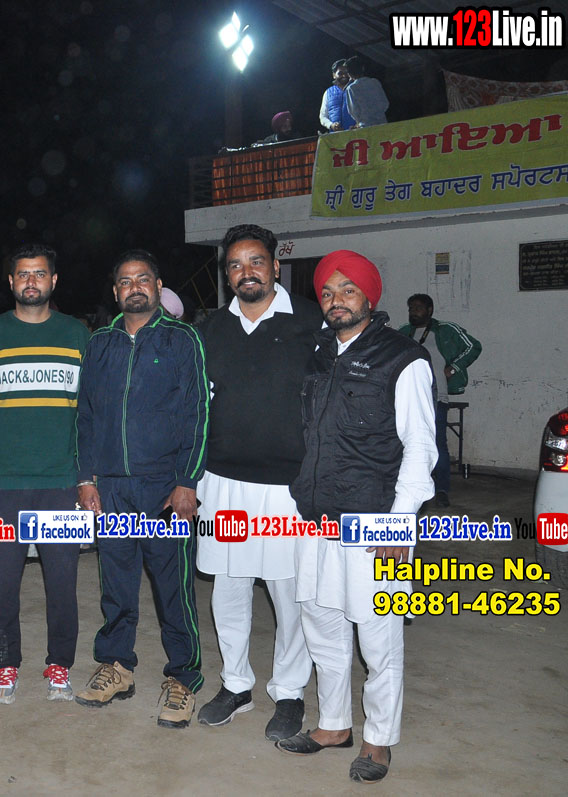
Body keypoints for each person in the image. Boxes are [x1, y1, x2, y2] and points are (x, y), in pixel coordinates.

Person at [281, 250, 436, 785]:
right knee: (321, 623)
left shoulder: (404, 359)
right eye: (327, 292)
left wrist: (401, 522)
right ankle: (333, 725)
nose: (336, 300)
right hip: (316, 515)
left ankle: (378, 739)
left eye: (348, 290)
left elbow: (421, 447)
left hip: (374, 520)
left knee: (377, 638)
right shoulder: (319, 354)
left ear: (370, 296)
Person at [194, 225, 322, 741]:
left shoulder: (311, 321)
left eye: (256, 262)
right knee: (229, 586)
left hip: (289, 486)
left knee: (290, 592)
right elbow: (198, 404)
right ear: (227, 274)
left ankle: (289, 691)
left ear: (275, 266)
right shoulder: (210, 329)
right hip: (224, 481)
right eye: (235, 265)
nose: (246, 272)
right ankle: (236, 683)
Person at [73, 250, 209, 728]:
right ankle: (116, 665)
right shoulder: (100, 343)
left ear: (158, 285)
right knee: (116, 584)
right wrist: (86, 478)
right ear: (116, 292)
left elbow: (197, 413)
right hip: (112, 488)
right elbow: (86, 416)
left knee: (173, 588)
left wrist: (187, 481)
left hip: (164, 489)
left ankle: (183, 678)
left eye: (143, 279)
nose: (135, 287)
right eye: (126, 281)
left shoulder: (182, 338)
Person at [0, 243, 89, 704]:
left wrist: (85, 477)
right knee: (3, 583)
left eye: (39, 274)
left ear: (53, 281)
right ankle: (6, 663)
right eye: (22, 274)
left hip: (61, 484)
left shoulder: (76, 333)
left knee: (63, 583)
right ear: (11, 282)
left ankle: (60, 664)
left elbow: (89, 413)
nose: (30, 281)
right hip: (2, 485)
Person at [399, 293, 482, 507]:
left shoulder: (445, 329)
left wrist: (453, 368)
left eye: (418, 308)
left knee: (438, 444)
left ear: (430, 310)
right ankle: (414, 488)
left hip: (436, 398)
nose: (413, 312)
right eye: (411, 308)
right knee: (408, 444)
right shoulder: (404, 333)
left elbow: (474, 347)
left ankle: (442, 489)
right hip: (409, 400)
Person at [344, 56, 389, 127]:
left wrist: (360, 120)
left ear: (349, 74)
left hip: (365, 125)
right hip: (382, 122)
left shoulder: (351, 88)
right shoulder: (375, 82)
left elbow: (353, 111)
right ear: (363, 68)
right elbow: (385, 103)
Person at [319, 59, 354, 132]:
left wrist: (359, 124)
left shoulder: (356, 89)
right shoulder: (328, 93)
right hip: (335, 135)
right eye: (340, 73)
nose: (344, 75)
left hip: (356, 133)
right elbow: (323, 116)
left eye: (346, 72)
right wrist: (331, 125)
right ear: (334, 75)